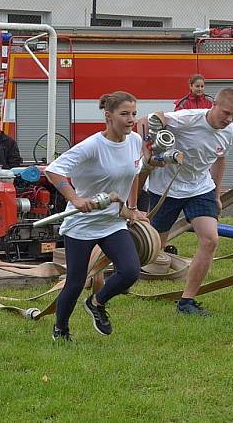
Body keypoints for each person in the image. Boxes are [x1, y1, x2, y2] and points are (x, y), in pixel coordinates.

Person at [44, 91, 149, 341]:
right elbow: (53, 171)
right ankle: (61, 329)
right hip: (81, 224)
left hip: (113, 222)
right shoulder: (92, 146)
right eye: (124, 114)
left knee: (131, 271)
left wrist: (131, 207)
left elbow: (134, 173)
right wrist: (76, 199)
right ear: (108, 115)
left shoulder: (134, 141)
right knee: (76, 281)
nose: (131, 119)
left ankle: (97, 302)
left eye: (133, 114)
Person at [146, 88, 233, 316]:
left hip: (200, 188)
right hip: (166, 188)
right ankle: (112, 272)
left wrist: (217, 194)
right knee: (150, 248)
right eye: (226, 113)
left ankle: (187, 301)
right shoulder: (188, 119)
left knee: (210, 240)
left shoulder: (230, 132)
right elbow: (156, 116)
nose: (228, 119)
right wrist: (154, 136)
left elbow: (219, 160)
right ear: (214, 105)